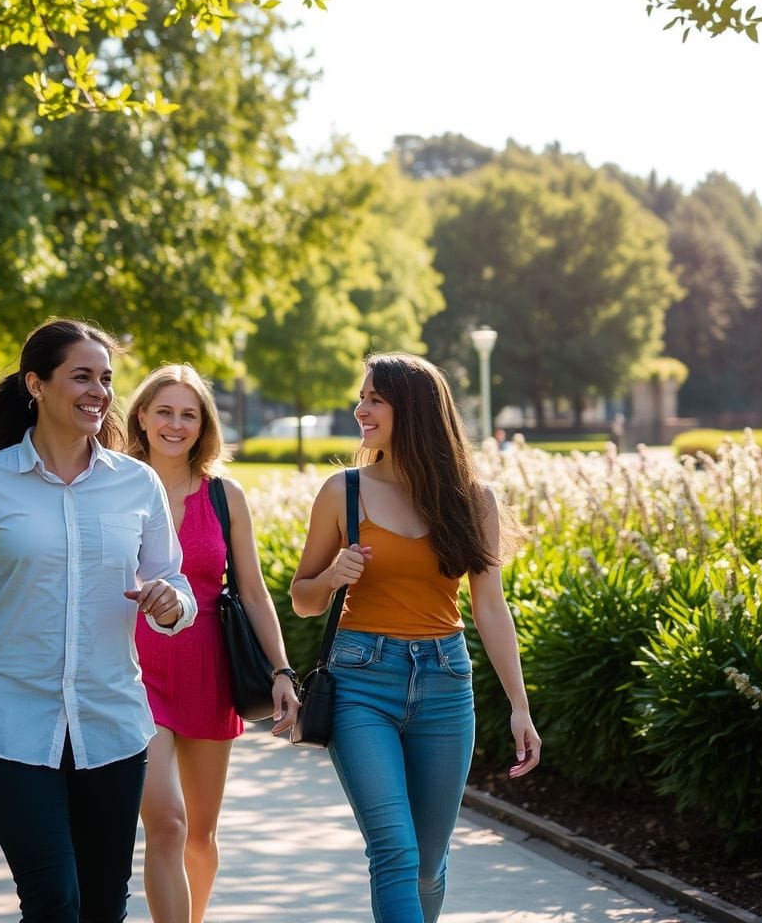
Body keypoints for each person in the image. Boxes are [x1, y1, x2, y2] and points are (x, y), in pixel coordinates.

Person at [0, 319, 198, 923]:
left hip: (112, 722)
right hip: (11, 726)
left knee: (104, 905)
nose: (99, 392)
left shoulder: (137, 484)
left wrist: (172, 603)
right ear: (36, 384)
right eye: (82, 376)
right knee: (53, 901)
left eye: (106, 379)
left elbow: (172, 580)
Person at [289, 353, 540, 923]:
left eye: (375, 399)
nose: (361, 409)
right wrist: (332, 577)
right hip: (361, 682)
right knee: (395, 854)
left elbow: (490, 607)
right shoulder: (343, 491)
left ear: (414, 409)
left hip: (445, 684)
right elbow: (303, 599)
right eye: (362, 397)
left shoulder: (473, 498)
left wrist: (520, 706)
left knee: (428, 865)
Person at [123, 364, 296, 923]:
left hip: (207, 674)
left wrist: (282, 670)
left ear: (203, 426)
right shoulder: (112, 485)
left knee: (200, 834)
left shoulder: (224, 495)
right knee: (166, 824)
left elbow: (253, 591)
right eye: (164, 411)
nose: (175, 424)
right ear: (141, 417)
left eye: (188, 414)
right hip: (132, 674)